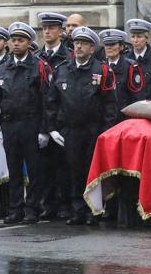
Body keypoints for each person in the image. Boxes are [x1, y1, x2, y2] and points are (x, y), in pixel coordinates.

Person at [46, 27, 117, 226]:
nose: (78, 46)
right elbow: (52, 101)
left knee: (91, 171)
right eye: (76, 42)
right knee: (73, 171)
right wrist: (52, 128)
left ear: (92, 48)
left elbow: (110, 104)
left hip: (93, 129)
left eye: (83, 43)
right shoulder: (62, 69)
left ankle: (92, 211)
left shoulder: (102, 70)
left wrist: (105, 132)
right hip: (70, 129)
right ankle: (77, 210)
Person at [0, 22, 51, 224]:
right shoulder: (0, 69)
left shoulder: (39, 66)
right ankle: (15, 209)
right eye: (13, 40)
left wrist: (45, 130)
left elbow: (47, 100)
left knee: (34, 170)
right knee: (13, 170)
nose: (16, 44)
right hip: (9, 125)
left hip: (31, 124)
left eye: (20, 40)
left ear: (29, 42)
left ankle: (32, 208)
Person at [35, 12, 71, 221]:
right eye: (44, 28)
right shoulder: (37, 58)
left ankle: (65, 205)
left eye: (51, 28)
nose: (47, 31)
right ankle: (48, 204)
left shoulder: (68, 56)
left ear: (60, 31)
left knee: (64, 166)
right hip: (41, 120)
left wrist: (55, 125)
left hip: (62, 120)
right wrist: (43, 128)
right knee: (45, 167)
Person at [99, 29, 140, 122]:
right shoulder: (100, 67)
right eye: (106, 45)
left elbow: (136, 98)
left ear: (121, 47)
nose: (109, 47)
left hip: (124, 119)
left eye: (112, 44)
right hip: (104, 120)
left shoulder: (130, 67)